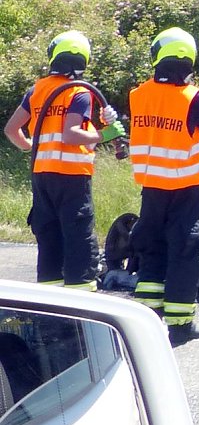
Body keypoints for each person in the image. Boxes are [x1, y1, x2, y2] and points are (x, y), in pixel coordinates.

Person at [3, 30, 125, 291]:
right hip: (71, 176)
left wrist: (31, 148)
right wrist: (106, 133)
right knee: (78, 236)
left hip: (42, 175)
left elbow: (11, 130)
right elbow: (71, 134)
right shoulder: (79, 93)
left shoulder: (37, 90)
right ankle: (82, 300)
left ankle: (51, 305)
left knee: (49, 238)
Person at [128, 26, 199, 345]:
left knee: (151, 246)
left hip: (151, 187)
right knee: (184, 250)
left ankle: (148, 318)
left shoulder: (138, 95)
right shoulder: (194, 98)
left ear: (157, 57)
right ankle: (180, 325)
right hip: (185, 189)